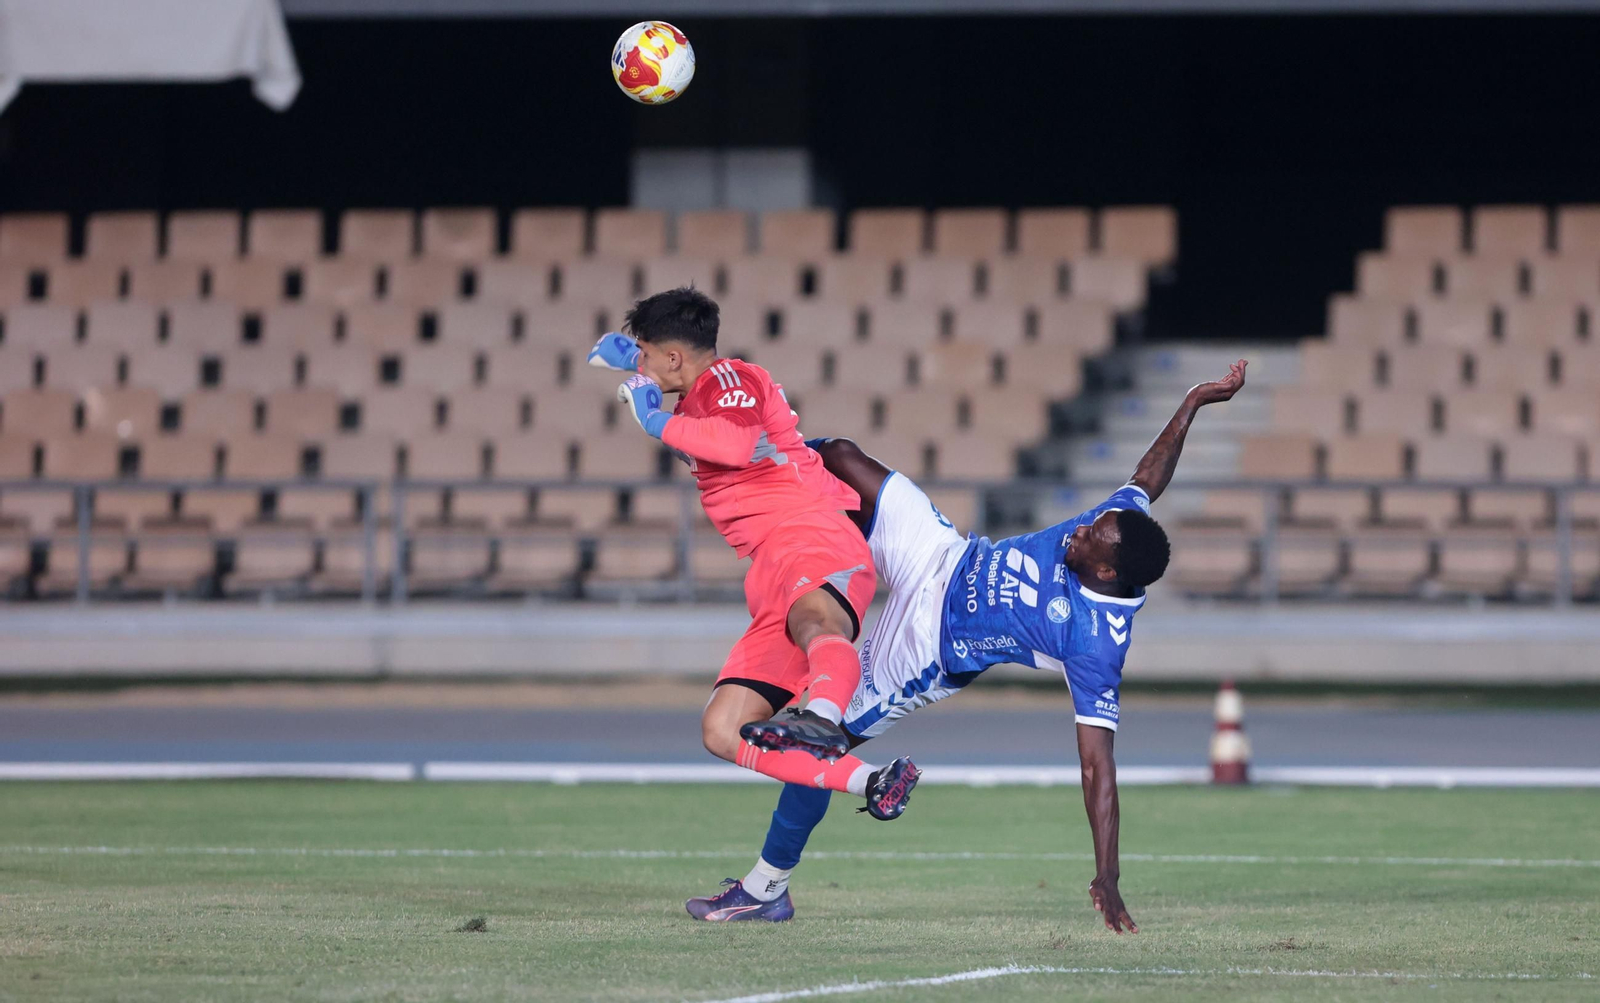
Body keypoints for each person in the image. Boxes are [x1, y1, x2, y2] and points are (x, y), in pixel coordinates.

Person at [683, 359, 1248, 927]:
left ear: (1107, 571)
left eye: (1088, 539)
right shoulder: (1119, 525)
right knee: (840, 456)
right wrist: (1194, 401)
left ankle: (766, 888)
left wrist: (1109, 874)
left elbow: (1097, 769)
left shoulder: (1096, 642)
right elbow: (1149, 476)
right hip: (944, 554)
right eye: (1089, 525)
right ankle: (747, 473)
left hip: (927, 646)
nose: (1078, 529)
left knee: (817, 749)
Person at [588, 288, 922, 841]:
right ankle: (873, 781)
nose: (641, 367)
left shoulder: (730, 378)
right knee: (723, 729)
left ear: (674, 357)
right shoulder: (696, 393)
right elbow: (692, 412)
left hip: (808, 533)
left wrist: (652, 422)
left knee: (816, 622)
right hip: (773, 566)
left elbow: (736, 445)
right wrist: (634, 359)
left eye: (647, 355)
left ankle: (823, 718)